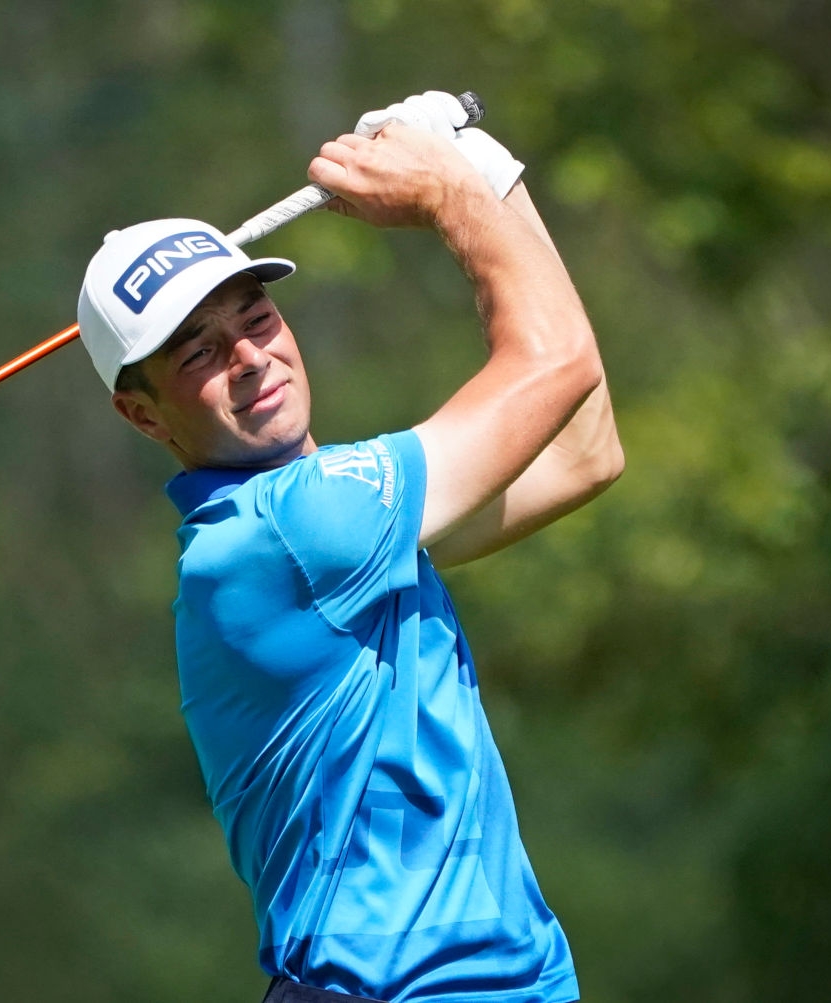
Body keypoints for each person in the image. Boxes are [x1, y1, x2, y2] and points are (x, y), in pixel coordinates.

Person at [76, 90, 622, 1003]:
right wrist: (452, 195)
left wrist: (486, 171)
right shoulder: (287, 532)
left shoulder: (349, 532)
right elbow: (551, 361)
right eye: (198, 354)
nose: (250, 357)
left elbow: (584, 449)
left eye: (255, 318)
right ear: (142, 415)